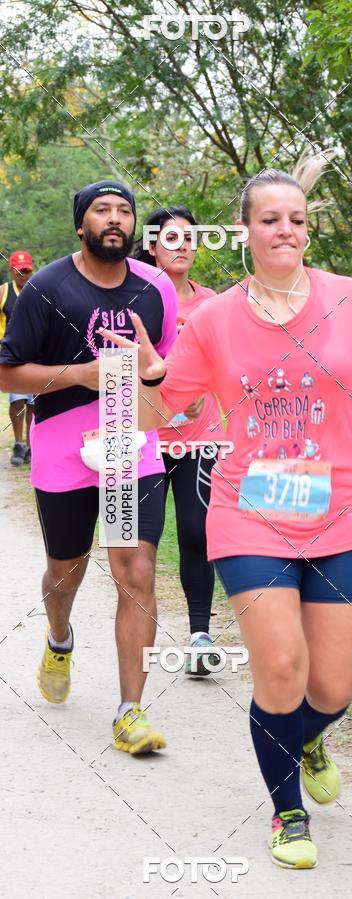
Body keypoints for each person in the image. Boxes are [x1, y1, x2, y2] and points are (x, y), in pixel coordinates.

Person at [102, 155, 352, 865]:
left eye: (297, 219)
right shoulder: (210, 318)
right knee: (279, 667)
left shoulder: (350, 298)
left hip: (343, 513)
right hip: (249, 511)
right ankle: (287, 811)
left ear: (309, 229)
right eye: (270, 219)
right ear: (244, 230)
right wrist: (144, 374)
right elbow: (155, 414)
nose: (286, 230)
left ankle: (305, 733)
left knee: (334, 682)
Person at [0, 180, 177, 754]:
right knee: (66, 568)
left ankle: (130, 711)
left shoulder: (155, 289)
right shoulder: (47, 287)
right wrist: (80, 375)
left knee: (135, 569)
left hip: (132, 448)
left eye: (124, 210)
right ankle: (59, 637)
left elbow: (168, 375)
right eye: (102, 210)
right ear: (82, 224)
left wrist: (166, 388)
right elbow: (8, 375)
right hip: (62, 446)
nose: (115, 218)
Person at [133, 206, 224, 674]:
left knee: (196, 530)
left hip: (199, 439)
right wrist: (167, 403)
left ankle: (199, 636)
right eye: (172, 238)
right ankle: (133, 644)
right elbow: (116, 371)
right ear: (151, 246)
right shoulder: (133, 300)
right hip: (142, 439)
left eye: (190, 237)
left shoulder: (212, 303)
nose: (184, 245)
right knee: (138, 543)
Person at [0, 251, 36, 466]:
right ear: (11, 271)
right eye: (20, 271)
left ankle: (31, 446)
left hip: (35, 352)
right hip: (11, 353)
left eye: (28, 270)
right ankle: (18, 443)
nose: (24, 275)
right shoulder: (4, 292)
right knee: (17, 400)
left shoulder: (38, 289)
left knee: (33, 402)